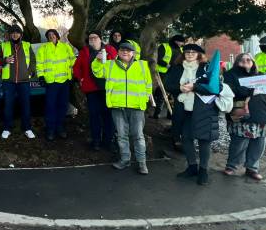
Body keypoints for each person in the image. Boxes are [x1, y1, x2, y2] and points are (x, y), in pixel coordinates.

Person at [91, 42, 152, 174]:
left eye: (129, 51)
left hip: (136, 107)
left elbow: (148, 85)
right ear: (118, 52)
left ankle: (142, 163)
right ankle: (125, 159)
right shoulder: (110, 65)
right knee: (121, 136)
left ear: (133, 54)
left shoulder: (142, 65)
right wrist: (97, 60)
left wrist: (144, 99)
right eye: (123, 50)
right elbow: (96, 72)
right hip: (118, 107)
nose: (125, 52)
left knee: (138, 135)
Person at [165, 44, 219, 186]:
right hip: (183, 108)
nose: (189, 54)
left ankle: (203, 170)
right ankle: (192, 167)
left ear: (199, 54)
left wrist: (195, 87)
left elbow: (214, 87)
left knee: (203, 140)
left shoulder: (206, 68)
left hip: (201, 108)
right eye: (187, 52)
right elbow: (167, 84)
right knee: (186, 138)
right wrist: (179, 88)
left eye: (193, 52)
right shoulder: (176, 68)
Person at [222, 53, 266, 181]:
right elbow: (232, 91)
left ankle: (252, 168)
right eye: (242, 60)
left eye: (248, 59)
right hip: (240, 111)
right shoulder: (230, 74)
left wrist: (252, 91)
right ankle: (232, 166)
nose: (245, 61)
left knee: (259, 141)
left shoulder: (261, 75)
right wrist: (252, 91)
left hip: (260, 112)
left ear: (253, 62)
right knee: (239, 141)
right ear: (237, 62)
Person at [73, 30, 117, 150]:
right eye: (90, 38)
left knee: (108, 115)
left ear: (100, 38)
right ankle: (96, 141)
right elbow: (76, 67)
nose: (92, 40)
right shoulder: (84, 51)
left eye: (95, 38)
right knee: (94, 115)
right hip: (91, 89)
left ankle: (108, 141)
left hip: (107, 89)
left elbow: (116, 64)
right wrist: (80, 78)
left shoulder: (110, 49)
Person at [0, 25, 37, 140]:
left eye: (17, 32)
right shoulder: (3, 46)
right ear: (10, 34)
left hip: (24, 81)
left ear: (20, 34)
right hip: (8, 81)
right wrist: (5, 60)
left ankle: (27, 128)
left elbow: (33, 60)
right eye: (13, 32)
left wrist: (30, 72)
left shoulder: (27, 45)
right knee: (8, 106)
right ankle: (7, 128)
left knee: (26, 105)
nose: (15, 34)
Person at [36, 29, 76, 141]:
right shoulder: (43, 48)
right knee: (50, 107)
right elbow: (39, 64)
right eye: (49, 35)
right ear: (47, 37)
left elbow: (73, 62)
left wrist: (73, 74)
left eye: (53, 34)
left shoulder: (65, 47)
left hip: (64, 82)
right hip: (51, 83)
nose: (51, 36)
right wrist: (41, 76)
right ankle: (50, 130)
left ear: (57, 36)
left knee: (63, 106)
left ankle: (60, 127)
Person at [153, 34, 186, 119]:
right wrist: (166, 65)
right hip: (163, 72)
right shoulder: (164, 46)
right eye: (181, 42)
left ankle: (170, 114)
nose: (182, 44)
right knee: (162, 93)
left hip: (174, 73)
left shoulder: (181, 50)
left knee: (172, 93)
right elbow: (158, 58)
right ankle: (157, 113)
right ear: (176, 41)